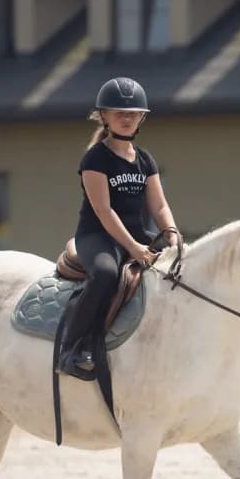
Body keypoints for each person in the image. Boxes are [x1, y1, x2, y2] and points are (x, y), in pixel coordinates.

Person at [57, 77, 179, 379]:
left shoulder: (146, 160)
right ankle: (72, 348)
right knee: (106, 274)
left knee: (179, 268)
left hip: (136, 235)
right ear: (104, 116)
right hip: (97, 235)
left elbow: (159, 206)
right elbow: (103, 210)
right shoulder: (95, 159)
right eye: (119, 113)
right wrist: (134, 249)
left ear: (142, 118)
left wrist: (173, 234)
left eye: (134, 113)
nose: (127, 118)